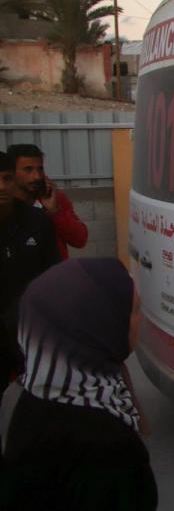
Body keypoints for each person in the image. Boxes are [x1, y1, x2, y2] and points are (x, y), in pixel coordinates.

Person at [0, 258, 157, 510]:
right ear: (102, 328)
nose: (142, 320)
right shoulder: (112, 449)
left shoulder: (16, 394)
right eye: (135, 310)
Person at [0, 151, 60, 400]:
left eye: (7, 178)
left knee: (36, 398)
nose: (2, 187)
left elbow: (53, 276)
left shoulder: (37, 221)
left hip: (31, 331)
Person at [7, 144, 88, 259]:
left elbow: (80, 240)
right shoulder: (6, 204)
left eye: (40, 169)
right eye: (28, 169)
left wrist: (55, 213)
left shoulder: (55, 199)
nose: (36, 176)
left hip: (55, 274)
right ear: (12, 172)